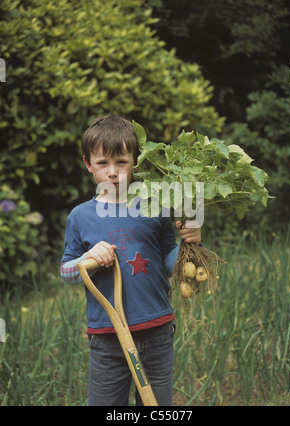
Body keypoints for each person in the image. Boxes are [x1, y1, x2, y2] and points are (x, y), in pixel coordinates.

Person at [60, 113, 201, 406]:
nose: (113, 172)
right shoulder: (80, 217)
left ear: (135, 160)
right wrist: (88, 257)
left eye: (122, 161)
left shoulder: (156, 206)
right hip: (107, 337)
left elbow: (167, 262)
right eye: (103, 163)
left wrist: (190, 244)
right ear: (88, 163)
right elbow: (68, 272)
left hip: (157, 329)